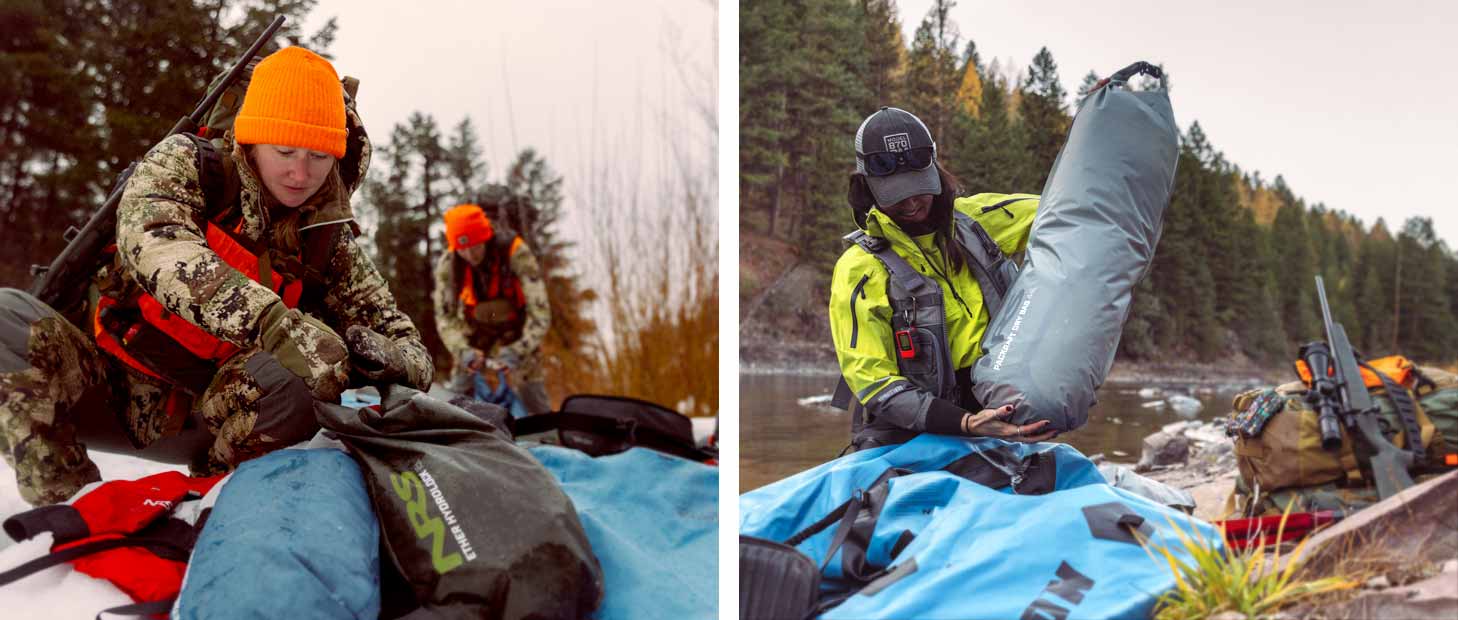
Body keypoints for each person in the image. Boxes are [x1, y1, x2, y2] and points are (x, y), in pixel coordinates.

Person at [0, 46, 432, 506]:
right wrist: (273, 324)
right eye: (285, 150)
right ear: (252, 139)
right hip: (100, 384)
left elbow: (410, 348)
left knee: (294, 378)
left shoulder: (328, 238)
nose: (301, 173)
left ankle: (214, 506)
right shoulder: (187, 163)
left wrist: (385, 357)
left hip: (212, 419)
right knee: (6, 315)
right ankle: (70, 508)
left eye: (320, 156)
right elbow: (157, 243)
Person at [829, 106, 1057, 451]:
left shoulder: (979, 220)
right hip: (910, 436)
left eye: (919, 187)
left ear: (935, 169)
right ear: (866, 187)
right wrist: (966, 424)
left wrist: (1097, 114)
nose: (911, 202)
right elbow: (872, 381)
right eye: (895, 193)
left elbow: (1067, 209)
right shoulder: (858, 269)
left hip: (998, 416)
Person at [433, 202, 552, 416]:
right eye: (463, 250)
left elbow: (540, 314)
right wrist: (463, 351)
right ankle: (453, 427)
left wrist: (518, 350)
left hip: (517, 326)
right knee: (459, 388)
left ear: (486, 238)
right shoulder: (449, 265)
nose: (470, 255)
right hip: (475, 329)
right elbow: (445, 318)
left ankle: (545, 431)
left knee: (531, 390)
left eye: (475, 247)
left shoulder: (516, 252)